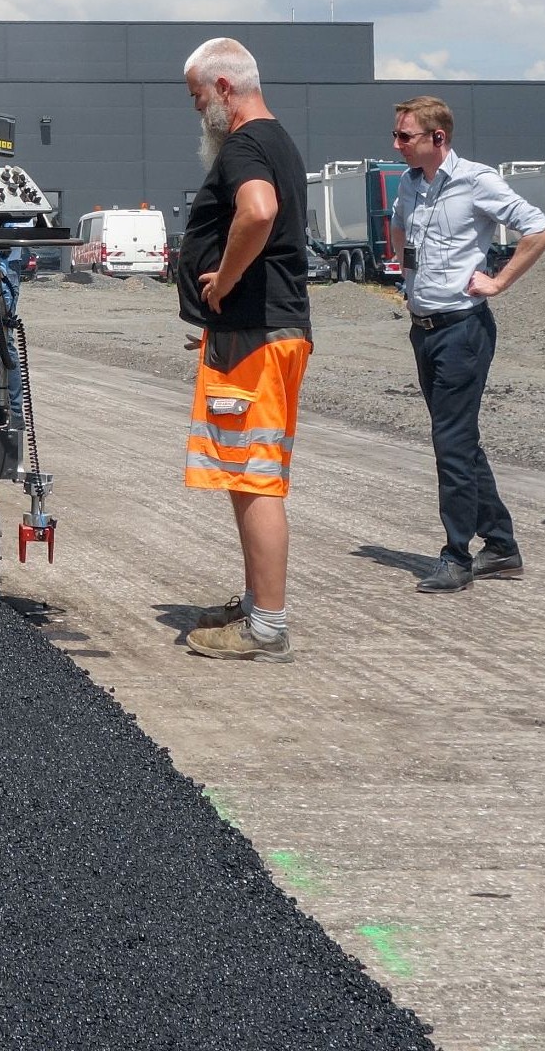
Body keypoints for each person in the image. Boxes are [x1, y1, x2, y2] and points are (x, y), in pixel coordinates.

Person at [175, 37, 311, 662]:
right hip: (261, 333)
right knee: (246, 472)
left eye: (197, 96)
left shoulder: (246, 146)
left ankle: (267, 628)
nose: (197, 109)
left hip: (255, 335)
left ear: (224, 89)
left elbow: (257, 212)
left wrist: (223, 280)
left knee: (256, 478)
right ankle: (258, 605)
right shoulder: (276, 140)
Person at [390, 95, 545, 592]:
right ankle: (501, 547)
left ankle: (457, 555)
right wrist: (406, 272)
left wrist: (498, 282)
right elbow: (399, 228)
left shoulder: (476, 180)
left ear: (437, 138)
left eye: (405, 136)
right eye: (396, 134)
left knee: (452, 444)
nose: (395, 144)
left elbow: (540, 230)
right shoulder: (408, 182)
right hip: (425, 328)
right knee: (459, 439)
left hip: (463, 331)